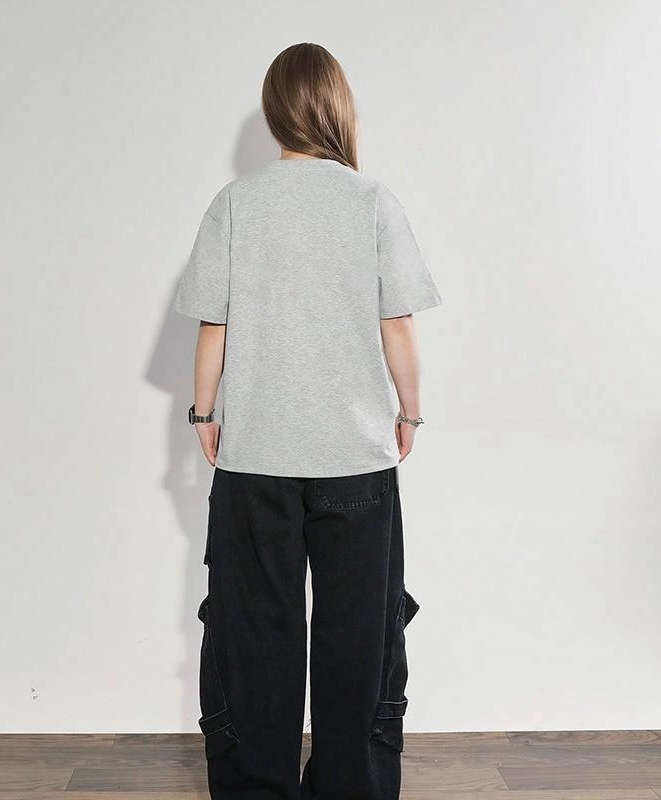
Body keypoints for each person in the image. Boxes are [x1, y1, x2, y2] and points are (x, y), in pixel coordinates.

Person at [173, 42, 442, 800]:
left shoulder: (237, 202)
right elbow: (398, 326)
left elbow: (215, 326)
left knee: (255, 635)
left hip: (255, 457)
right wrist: (410, 413)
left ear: (274, 112)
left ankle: (257, 788)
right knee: (360, 637)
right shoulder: (372, 201)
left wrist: (205, 412)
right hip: (356, 459)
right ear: (337, 107)